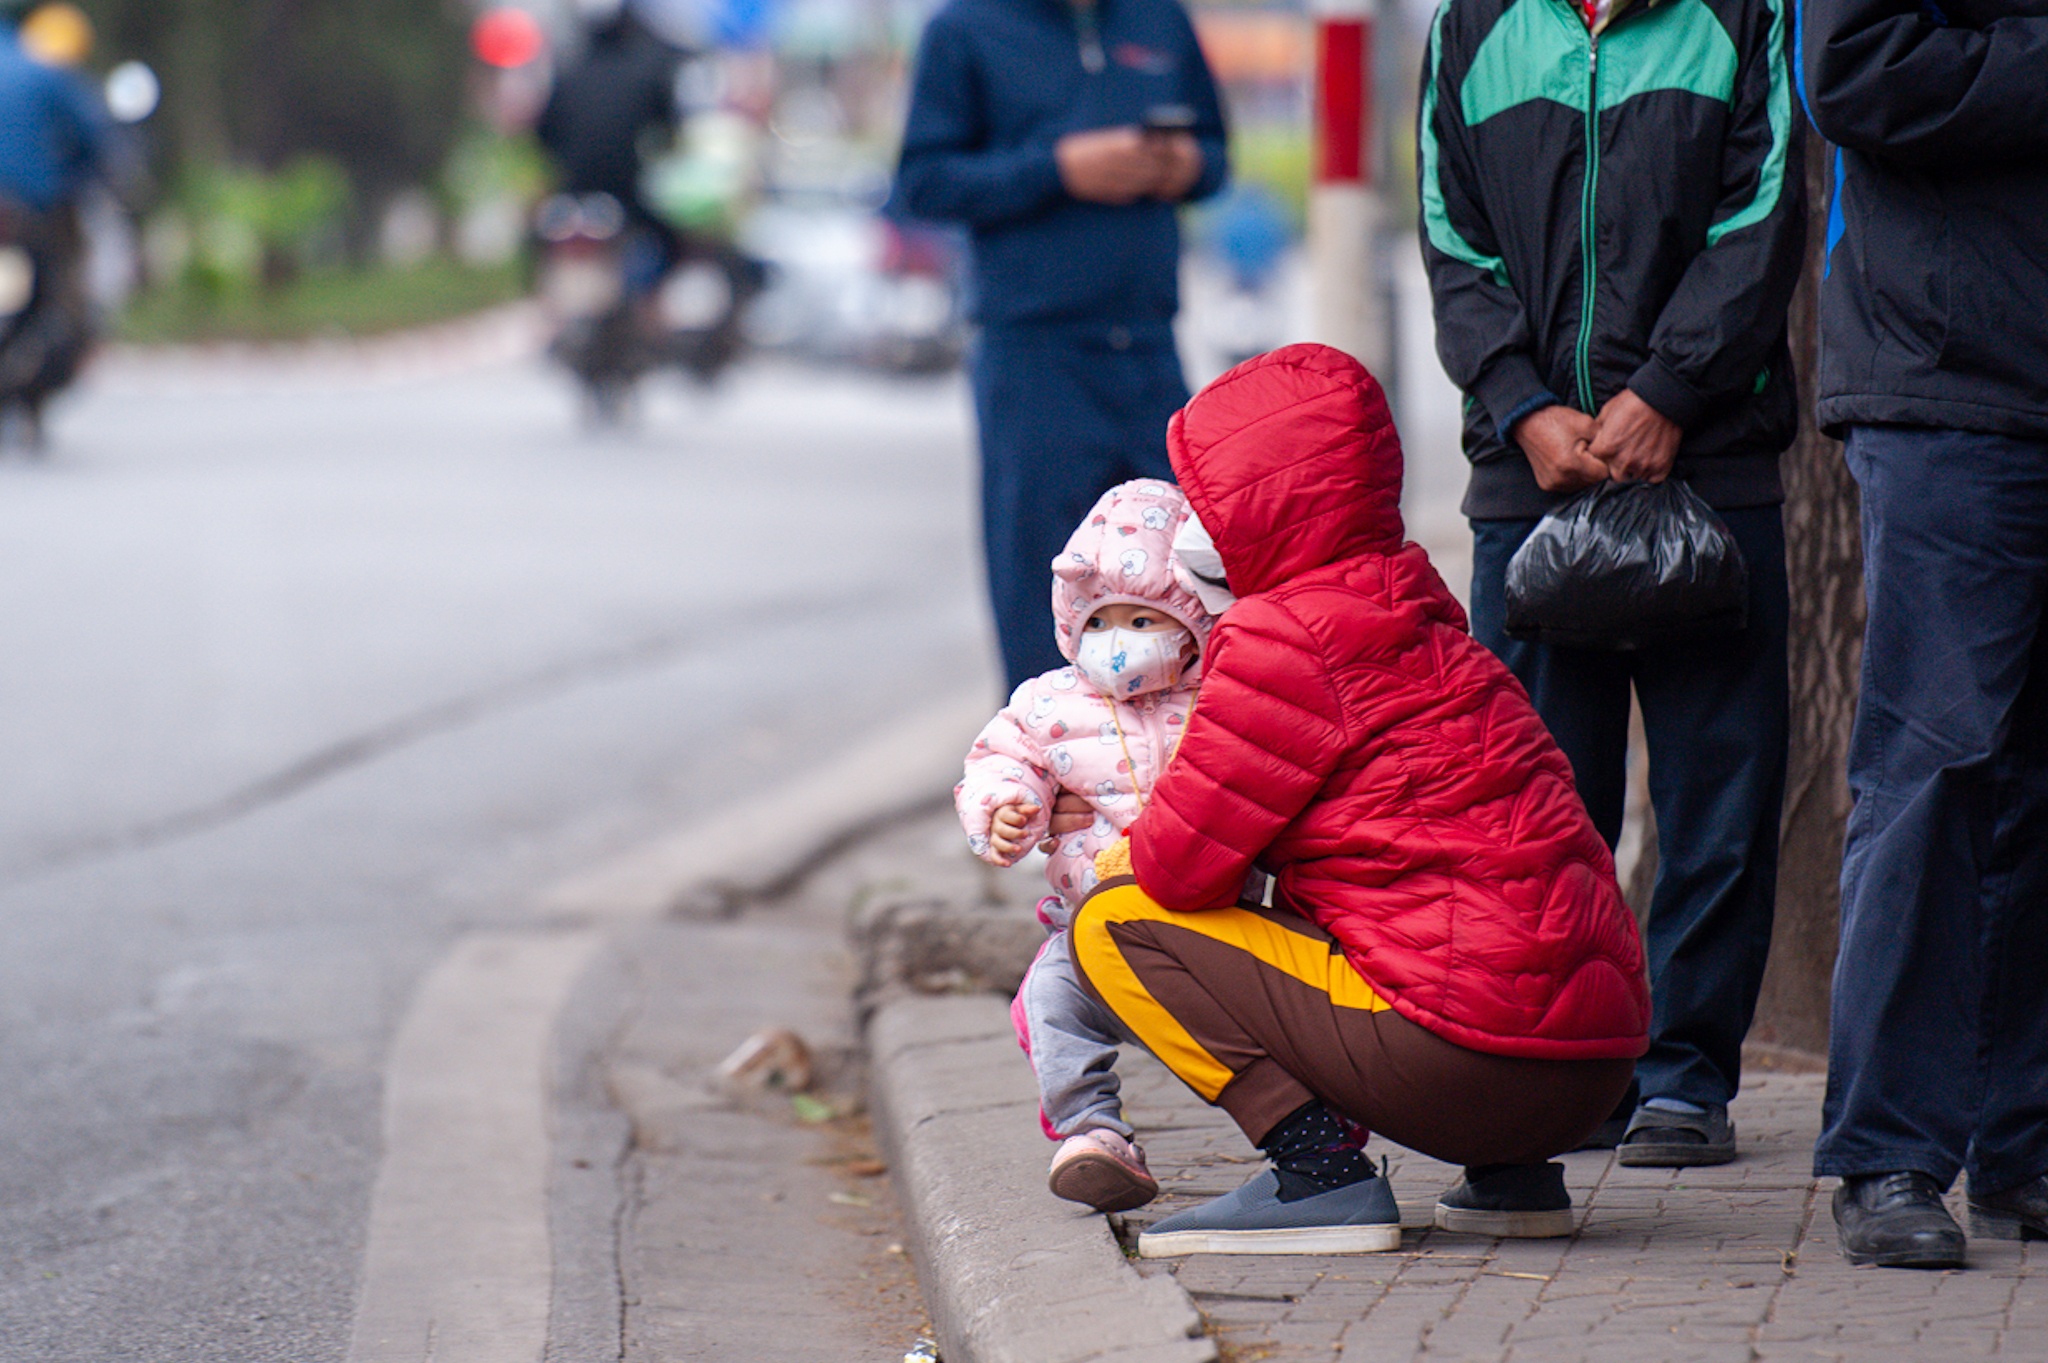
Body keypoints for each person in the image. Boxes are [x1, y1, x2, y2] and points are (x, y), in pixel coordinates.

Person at [1067, 345, 1651, 1256]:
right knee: (1408, 898)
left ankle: (1317, 1175)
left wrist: (1109, 834)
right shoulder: (1427, 624)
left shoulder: (1280, 639)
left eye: (1206, 500)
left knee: (1113, 922)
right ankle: (1512, 1177)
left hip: (1466, 1060)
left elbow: (1179, 870)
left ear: (1254, 508)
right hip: (1595, 1066)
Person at [1418, 0, 1804, 1165]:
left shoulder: (1743, 15)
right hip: (1529, 477)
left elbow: (1762, 215)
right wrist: (1521, 404)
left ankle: (1686, 1077)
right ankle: (1567, 1076)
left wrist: (1669, 395)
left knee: (1716, 804)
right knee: (1540, 815)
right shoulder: (1471, 25)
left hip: (1710, 467)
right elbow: (1452, 238)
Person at [1800, 0, 2048, 1271]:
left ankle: (2025, 1141)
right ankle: (1886, 1150)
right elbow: (1852, 71)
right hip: (1951, 382)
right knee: (1935, 767)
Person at [892, 0, 1227, 693]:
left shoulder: (1157, 18)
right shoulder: (965, 29)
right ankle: (1045, 778)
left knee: (1187, 579)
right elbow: (923, 183)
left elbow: (1219, 155)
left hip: (1149, 345)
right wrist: (1056, 169)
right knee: (1042, 589)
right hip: (1034, 351)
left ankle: (1174, 778)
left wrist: (1184, 165)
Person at [957, 478, 1216, 1214]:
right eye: (1101, 619)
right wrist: (1009, 808)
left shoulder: (1224, 696)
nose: (1119, 640)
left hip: (1220, 917)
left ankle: (1318, 1129)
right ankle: (1092, 1132)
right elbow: (1005, 760)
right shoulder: (1050, 702)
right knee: (1051, 998)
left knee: (1279, 1022)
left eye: (1144, 617)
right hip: (1093, 920)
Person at [534, 0, 688, 286]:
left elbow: (543, 135)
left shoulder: (569, 72)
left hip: (574, 193)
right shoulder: (647, 70)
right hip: (626, 196)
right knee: (672, 245)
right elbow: (670, 133)